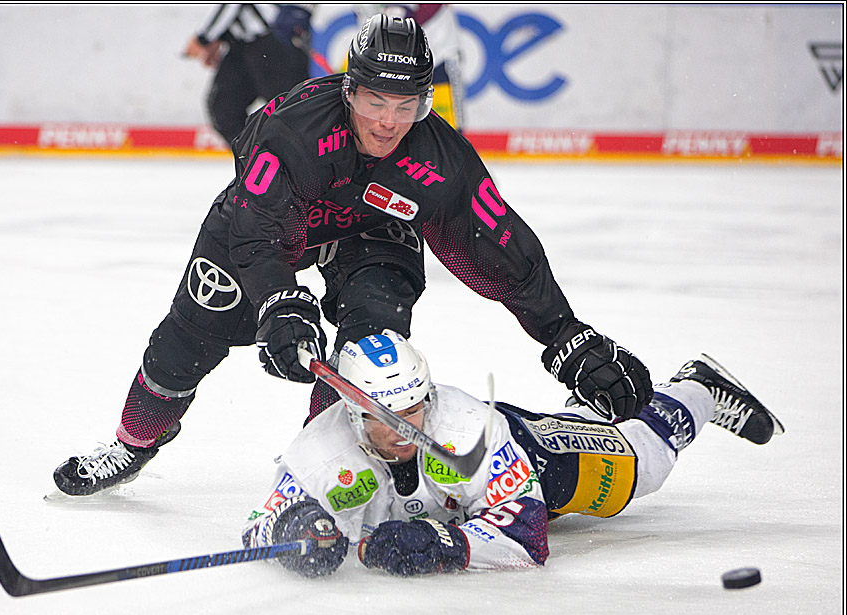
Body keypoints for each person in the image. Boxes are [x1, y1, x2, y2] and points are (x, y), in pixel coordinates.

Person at [52, 15, 654, 497]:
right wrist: (281, 302)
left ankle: (315, 470)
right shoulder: (291, 129)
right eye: (374, 102)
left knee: (371, 352)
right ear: (348, 90)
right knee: (189, 336)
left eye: (406, 105)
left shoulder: (442, 158)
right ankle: (131, 446)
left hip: (373, 235)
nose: (389, 122)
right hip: (266, 231)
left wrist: (564, 334)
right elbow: (257, 227)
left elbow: (502, 249)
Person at [242, 331, 785, 577]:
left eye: (411, 411)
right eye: (382, 417)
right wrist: (298, 530)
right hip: (459, 500)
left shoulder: (470, 429)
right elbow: (260, 526)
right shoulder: (319, 450)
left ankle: (697, 389)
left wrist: (441, 544)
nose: (401, 430)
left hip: (531, 457)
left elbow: (527, 537)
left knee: (646, 466)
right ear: (353, 413)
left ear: (428, 399)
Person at [184, 4, 314, 153]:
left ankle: (300, 165)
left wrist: (204, 38)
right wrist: (217, 37)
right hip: (244, 45)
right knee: (224, 108)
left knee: (292, 112)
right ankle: (261, 163)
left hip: (273, 40)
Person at [354, 4, 466, 130]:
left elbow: (401, 18)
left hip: (438, 55)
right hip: (398, 60)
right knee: (399, 127)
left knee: (448, 131)